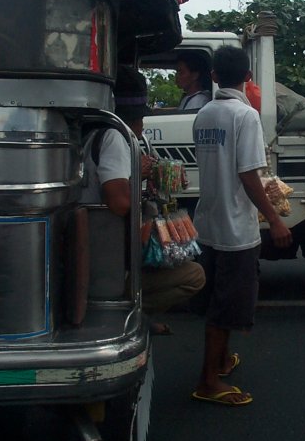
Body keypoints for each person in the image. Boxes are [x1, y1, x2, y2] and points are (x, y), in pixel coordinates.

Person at [191, 45, 292, 406]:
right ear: (248, 77)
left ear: (214, 76)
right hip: (236, 228)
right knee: (226, 306)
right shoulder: (245, 116)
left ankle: (220, 361)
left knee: (220, 298)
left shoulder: (204, 114)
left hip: (208, 222)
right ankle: (208, 381)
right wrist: (276, 219)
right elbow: (248, 175)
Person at [81, 65, 205, 335]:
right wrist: (138, 175)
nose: (143, 125)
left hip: (114, 248)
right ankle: (131, 312)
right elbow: (118, 202)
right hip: (109, 253)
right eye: (141, 119)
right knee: (194, 276)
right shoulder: (114, 138)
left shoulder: (108, 136)